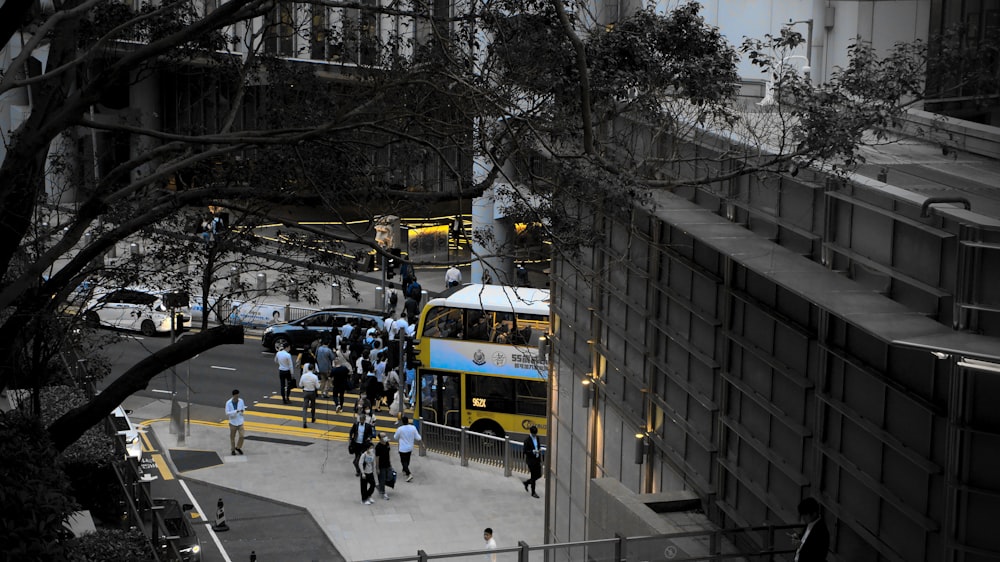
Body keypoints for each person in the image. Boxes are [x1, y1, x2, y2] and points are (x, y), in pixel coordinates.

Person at [793, 497, 829, 562]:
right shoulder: (809, 524)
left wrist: (800, 545)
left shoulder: (821, 531)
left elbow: (817, 555)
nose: (803, 517)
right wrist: (798, 538)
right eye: (802, 514)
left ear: (814, 514)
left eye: (805, 514)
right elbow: (806, 540)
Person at [393, 415, 422, 481]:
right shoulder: (413, 428)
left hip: (402, 448)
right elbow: (418, 437)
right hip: (410, 447)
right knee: (407, 460)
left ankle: (408, 473)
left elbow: (395, 437)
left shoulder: (400, 429)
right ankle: (404, 470)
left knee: (403, 461)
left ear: (402, 422)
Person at [522, 425, 542, 498]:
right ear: (531, 433)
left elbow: (538, 446)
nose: (535, 435)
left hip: (537, 459)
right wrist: (533, 451)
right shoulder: (527, 440)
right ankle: (533, 492)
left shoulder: (537, 438)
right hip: (531, 461)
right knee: (533, 477)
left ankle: (527, 482)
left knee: (539, 475)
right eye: (534, 434)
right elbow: (525, 451)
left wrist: (539, 450)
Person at [299, 363, 321, 428]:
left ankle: (304, 421)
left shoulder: (303, 376)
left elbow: (300, 385)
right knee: (313, 406)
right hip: (312, 392)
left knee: (305, 407)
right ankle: (313, 418)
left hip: (305, 391)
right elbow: (318, 387)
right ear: (313, 369)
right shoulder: (315, 377)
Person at [226, 389, 246, 455]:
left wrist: (242, 411)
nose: (237, 397)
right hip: (233, 422)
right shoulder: (228, 403)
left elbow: (243, 408)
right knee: (232, 437)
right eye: (236, 396)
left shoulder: (241, 401)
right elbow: (227, 413)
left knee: (242, 436)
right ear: (233, 395)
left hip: (240, 421)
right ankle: (233, 449)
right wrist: (235, 412)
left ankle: (238, 447)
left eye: (238, 395)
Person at [375, 432, 393, 500]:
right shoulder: (378, 447)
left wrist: (390, 463)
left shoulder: (387, 444)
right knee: (382, 479)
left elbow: (388, 454)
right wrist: (377, 468)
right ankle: (383, 492)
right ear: (380, 438)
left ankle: (379, 486)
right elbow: (377, 458)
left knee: (390, 477)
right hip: (381, 466)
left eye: (385, 436)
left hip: (387, 464)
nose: (385, 437)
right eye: (383, 436)